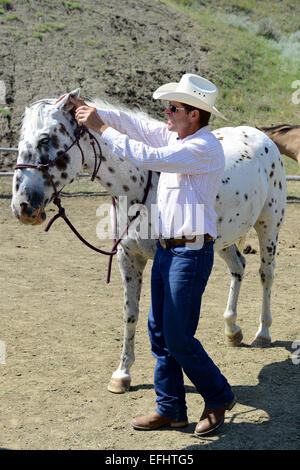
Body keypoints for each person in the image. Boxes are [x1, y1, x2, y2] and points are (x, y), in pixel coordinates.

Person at [70, 73, 236, 437]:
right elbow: (137, 126)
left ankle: (219, 395)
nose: (167, 112)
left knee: (178, 337)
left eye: (173, 107)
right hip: (167, 250)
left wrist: (100, 127)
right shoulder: (180, 136)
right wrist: (95, 112)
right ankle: (171, 409)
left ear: (194, 114)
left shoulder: (202, 147)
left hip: (190, 254)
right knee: (159, 334)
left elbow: (147, 155)